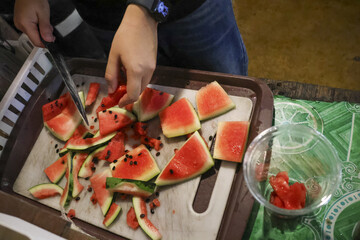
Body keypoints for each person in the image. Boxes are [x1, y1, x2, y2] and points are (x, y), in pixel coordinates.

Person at [13, 0, 248, 107]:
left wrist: (147, 8)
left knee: (230, 95)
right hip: (104, 17)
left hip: (190, 8)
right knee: (145, 97)